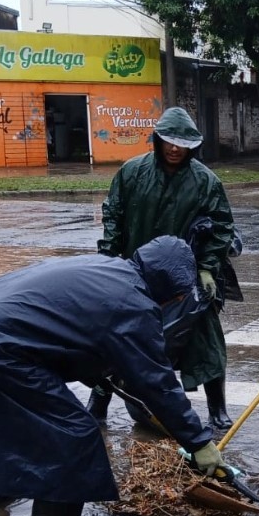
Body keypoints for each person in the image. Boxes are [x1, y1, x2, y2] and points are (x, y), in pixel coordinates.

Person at [0, 236, 225, 516]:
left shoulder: (112, 269)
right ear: (170, 289)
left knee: (8, 418)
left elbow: (69, 325)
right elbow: (157, 383)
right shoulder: (135, 304)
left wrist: (97, 368)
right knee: (72, 438)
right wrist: (199, 443)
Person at [91, 106, 238, 430]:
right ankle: (97, 402)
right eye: (169, 141)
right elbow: (113, 216)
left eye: (182, 143)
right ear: (157, 140)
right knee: (118, 340)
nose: (174, 149)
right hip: (135, 273)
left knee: (207, 338)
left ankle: (218, 408)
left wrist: (206, 268)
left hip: (184, 277)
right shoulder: (132, 172)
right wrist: (110, 261)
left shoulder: (205, 180)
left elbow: (222, 226)